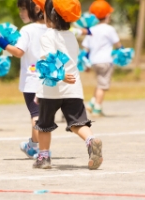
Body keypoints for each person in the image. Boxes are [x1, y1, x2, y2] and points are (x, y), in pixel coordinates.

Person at [33, 0, 103, 170]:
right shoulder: (71, 36)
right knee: (78, 123)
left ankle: (43, 157)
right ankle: (91, 140)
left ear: (50, 17)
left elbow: (48, 61)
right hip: (73, 88)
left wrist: (60, 76)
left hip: (51, 89)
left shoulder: (47, 36)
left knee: (44, 125)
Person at [0, 0, 46, 158]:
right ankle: (33, 145)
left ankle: (41, 150)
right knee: (41, 114)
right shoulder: (52, 29)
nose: (21, 12)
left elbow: (18, 52)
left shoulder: (27, 30)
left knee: (36, 115)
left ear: (36, 8)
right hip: (48, 79)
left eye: (23, 9)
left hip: (32, 80)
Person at [82, 0, 122, 117]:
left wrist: (86, 64)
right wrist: (122, 50)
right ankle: (97, 109)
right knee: (103, 86)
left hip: (94, 62)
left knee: (100, 83)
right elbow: (117, 44)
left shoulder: (91, 30)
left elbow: (86, 48)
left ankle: (92, 103)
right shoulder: (109, 29)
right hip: (106, 61)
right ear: (108, 15)